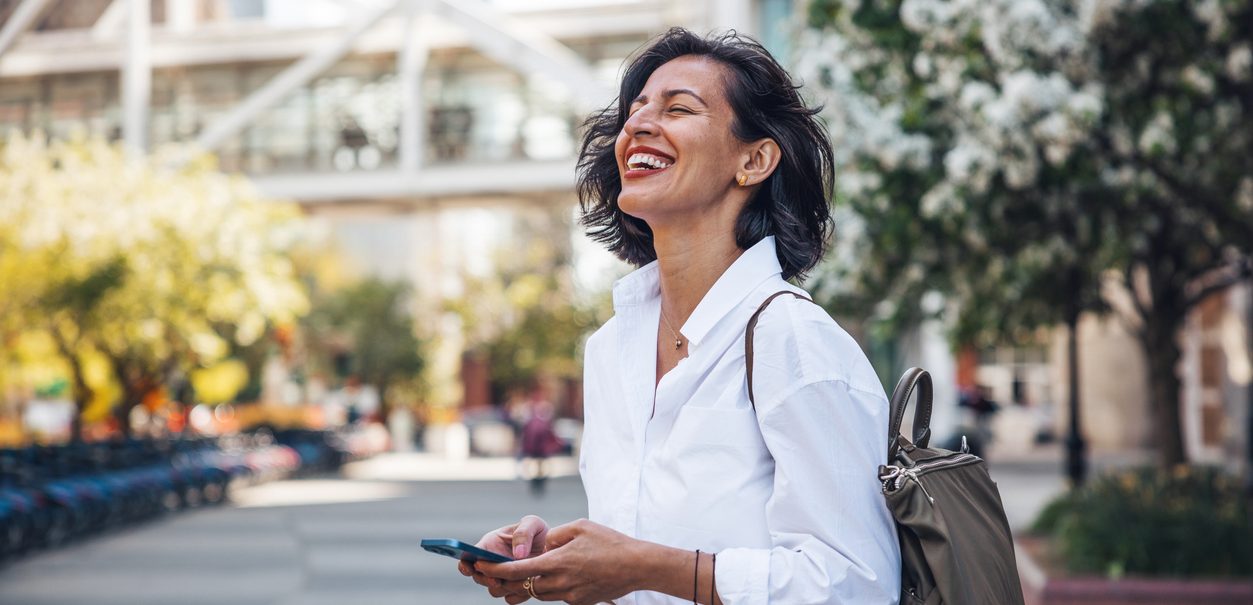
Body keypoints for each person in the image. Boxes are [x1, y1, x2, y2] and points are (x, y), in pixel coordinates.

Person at [458, 28, 901, 604]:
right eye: (636, 108)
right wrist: (557, 556)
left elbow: (859, 586)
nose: (638, 124)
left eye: (679, 108)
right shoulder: (610, 348)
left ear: (754, 160)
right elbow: (651, 544)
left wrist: (647, 567)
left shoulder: (795, 342)